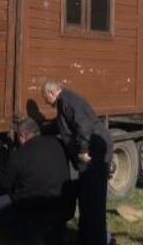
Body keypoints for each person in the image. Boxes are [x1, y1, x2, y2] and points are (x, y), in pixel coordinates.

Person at [42, 81, 112, 245]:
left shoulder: (67, 101)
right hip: (93, 152)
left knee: (93, 201)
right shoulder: (65, 102)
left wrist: (84, 150)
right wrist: (41, 129)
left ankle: (96, 240)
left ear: (51, 93)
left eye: (44, 97)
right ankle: (86, 238)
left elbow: (84, 125)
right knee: (86, 199)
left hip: (94, 154)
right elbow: (62, 125)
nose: (45, 101)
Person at [0, 117, 75, 245]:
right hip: (64, 205)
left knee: (0, 203)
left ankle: (25, 235)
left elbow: (6, 183)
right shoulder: (58, 142)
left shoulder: (18, 155)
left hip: (36, 210)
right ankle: (57, 231)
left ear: (22, 136)